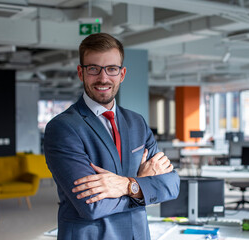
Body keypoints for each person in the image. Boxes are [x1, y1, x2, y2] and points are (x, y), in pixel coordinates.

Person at [44, 33, 180, 240]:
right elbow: (92, 205)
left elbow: (171, 184)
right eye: (93, 69)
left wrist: (127, 185)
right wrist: (139, 184)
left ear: (122, 74)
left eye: (111, 69)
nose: (103, 78)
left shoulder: (137, 123)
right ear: (81, 73)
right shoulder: (63, 128)